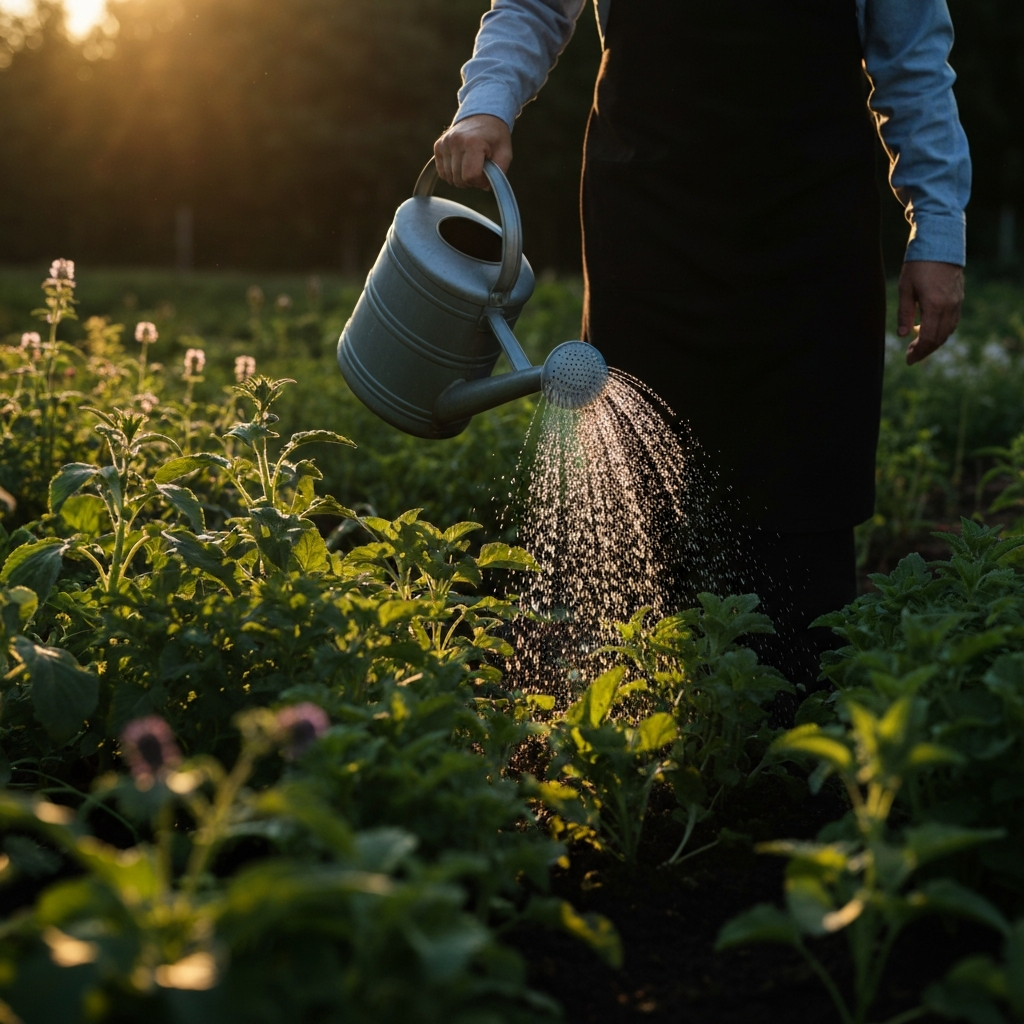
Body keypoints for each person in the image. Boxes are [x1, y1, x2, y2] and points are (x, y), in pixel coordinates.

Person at [433, 0, 971, 692]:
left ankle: (795, 742)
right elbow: (534, 7)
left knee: (806, 478)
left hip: (809, 221)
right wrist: (486, 106)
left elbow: (914, 61)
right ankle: (640, 726)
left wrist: (938, 227)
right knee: (645, 481)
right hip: (650, 212)